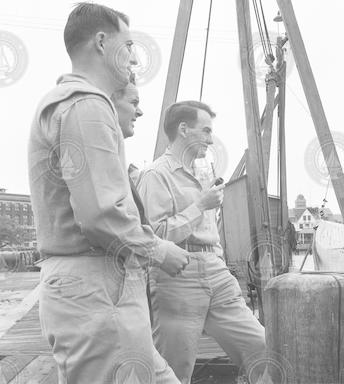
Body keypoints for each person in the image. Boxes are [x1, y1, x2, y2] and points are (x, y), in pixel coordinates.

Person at [28, 3, 189, 383]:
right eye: (128, 44)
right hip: (97, 291)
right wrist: (158, 250)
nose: (134, 57)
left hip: (98, 294)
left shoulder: (73, 103)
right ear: (102, 42)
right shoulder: (87, 105)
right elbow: (100, 214)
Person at [137, 100, 268, 383]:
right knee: (174, 369)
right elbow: (153, 236)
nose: (211, 139)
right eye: (206, 131)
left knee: (262, 347)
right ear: (183, 129)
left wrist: (218, 258)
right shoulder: (155, 175)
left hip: (216, 271)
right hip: (178, 274)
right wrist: (200, 205)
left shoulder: (201, 172)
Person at [111, 73, 181, 383]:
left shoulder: (115, 157)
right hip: (110, 296)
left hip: (128, 293)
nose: (139, 111)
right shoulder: (150, 173)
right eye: (134, 102)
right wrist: (160, 250)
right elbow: (101, 219)